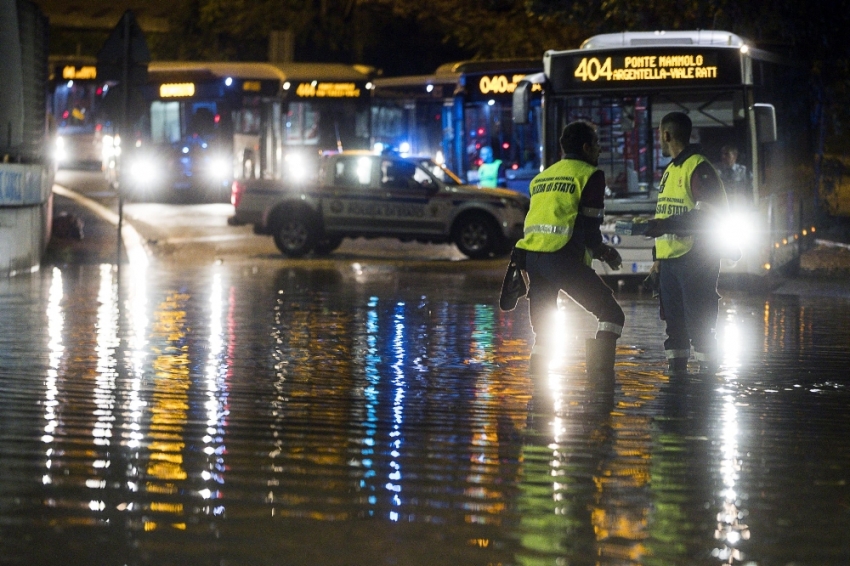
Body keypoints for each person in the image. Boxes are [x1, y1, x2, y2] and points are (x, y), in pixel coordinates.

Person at [514, 120, 625, 388]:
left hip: (531, 258)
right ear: (586, 147)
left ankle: (537, 401)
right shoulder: (590, 174)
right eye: (597, 145)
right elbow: (590, 226)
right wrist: (604, 251)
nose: (599, 150)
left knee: (544, 331)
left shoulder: (543, 177)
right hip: (560, 258)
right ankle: (601, 387)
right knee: (611, 314)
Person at [644, 112, 729, 376]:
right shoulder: (671, 169)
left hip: (696, 259)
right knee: (675, 327)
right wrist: (657, 262)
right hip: (671, 262)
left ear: (666, 135)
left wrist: (665, 225)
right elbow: (665, 213)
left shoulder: (698, 167)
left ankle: (708, 387)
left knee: (700, 325)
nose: (659, 138)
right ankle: (676, 385)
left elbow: (706, 214)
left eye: (660, 134)